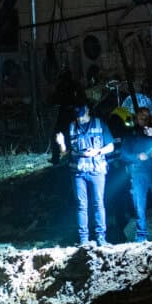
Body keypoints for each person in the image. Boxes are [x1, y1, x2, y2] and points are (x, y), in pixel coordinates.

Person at [55, 104, 115, 246]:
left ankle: (101, 238)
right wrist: (61, 144)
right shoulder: (71, 127)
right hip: (78, 173)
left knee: (98, 203)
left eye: (81, 115)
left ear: (88, 111)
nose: (79, 118)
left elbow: (111, 146)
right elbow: (65, 153)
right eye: (77, 115)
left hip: (97, 170)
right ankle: (84, 240)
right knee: (82, 205)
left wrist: (97, 152)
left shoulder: (100, 124)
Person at [121, 108, 152, 241]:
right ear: (136, 118)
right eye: (141, 116)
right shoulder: (131, 134)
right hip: (138, 173)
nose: (144, 118)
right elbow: (123, 154)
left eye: (146, 116)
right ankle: (141, 236)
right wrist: (137, 156)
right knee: (139, 205)